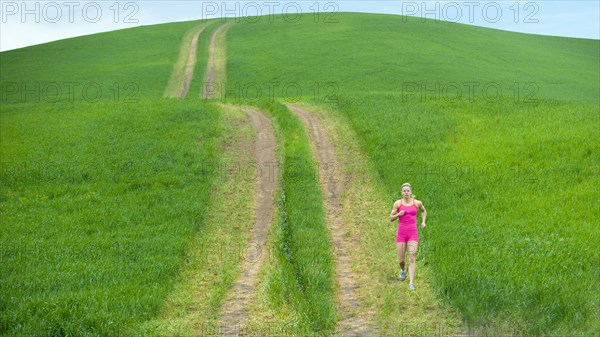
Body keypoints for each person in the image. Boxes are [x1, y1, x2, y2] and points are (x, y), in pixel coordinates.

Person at [389, 182, 427, 290]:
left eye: (408, 191)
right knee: (401, 260)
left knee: (412, 257)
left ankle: (411, 283)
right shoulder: (397, 203)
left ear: (411, 192)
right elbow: (390, 218)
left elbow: (424, 211)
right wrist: (398, 214)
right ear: (401, 193)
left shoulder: (417, 203)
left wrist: (423, 221)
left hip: (412, 233)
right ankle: (403, 270)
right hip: (401, 233)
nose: (406, 192)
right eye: (404, 191)